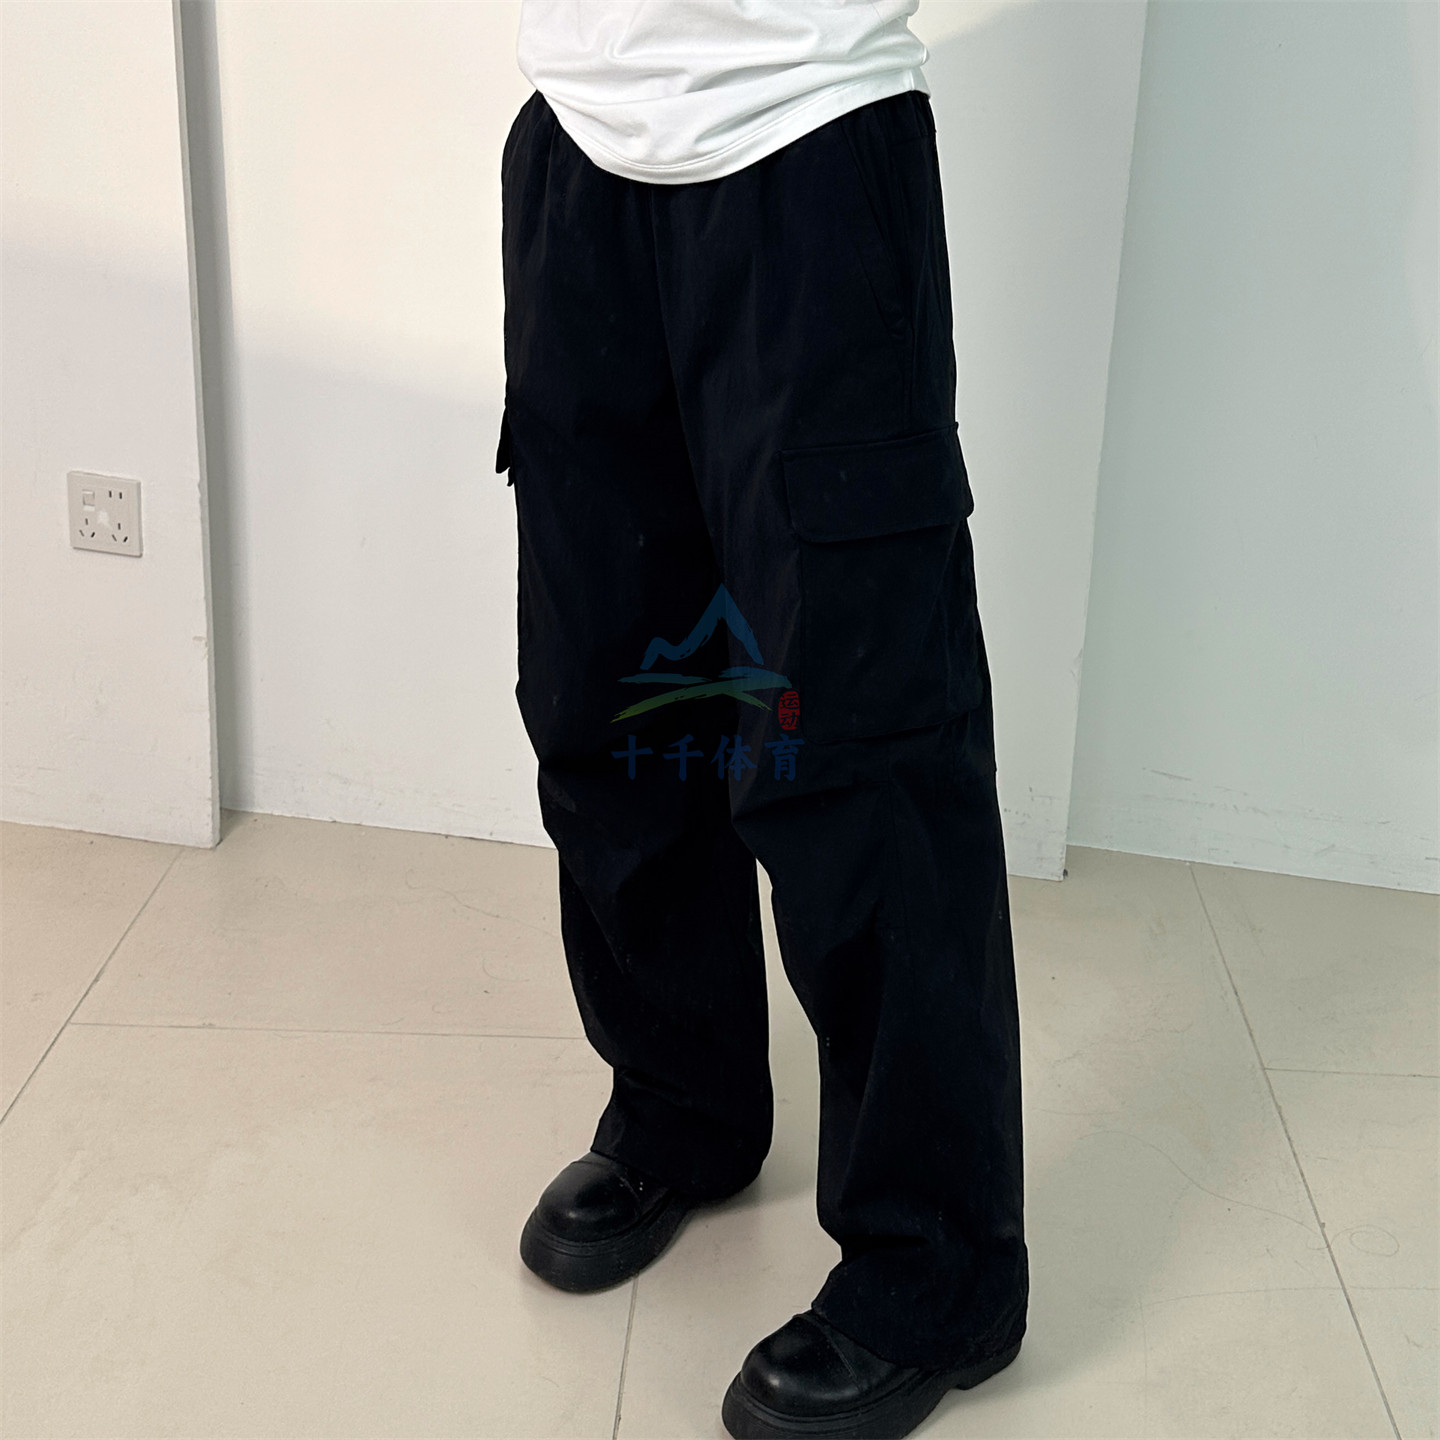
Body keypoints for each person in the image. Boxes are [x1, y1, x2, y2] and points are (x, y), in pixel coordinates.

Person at [496, 3, 1028, 1435]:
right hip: (578, 142)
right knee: (609, 697)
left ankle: (937, 1270)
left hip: (807, 145)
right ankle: (683, 1107)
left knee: (862, 747)